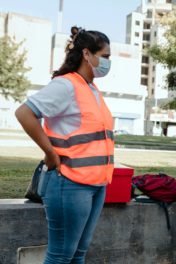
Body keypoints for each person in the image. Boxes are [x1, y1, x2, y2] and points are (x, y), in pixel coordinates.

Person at [15, 26, 114, 264]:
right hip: (69, 183)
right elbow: (24, 113)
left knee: (79, 252)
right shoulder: (66, 85)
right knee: (61, 255)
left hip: (96, 183)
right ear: (87, 54)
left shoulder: (91, 88)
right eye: (106, 56)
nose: (108, 62)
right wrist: (50, 152)